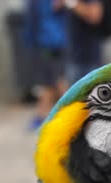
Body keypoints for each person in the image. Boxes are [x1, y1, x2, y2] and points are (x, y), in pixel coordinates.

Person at [24, 0, 68, 129]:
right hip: (50, 42)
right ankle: (41, 116)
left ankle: (42, 116)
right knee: (52, 81)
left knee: (55, 80)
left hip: (51, 43)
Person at [54, 0, 104, 85]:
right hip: (71, 54)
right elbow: (55, 8)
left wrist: (71, 3)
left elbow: (94, 16)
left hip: (89, 57)